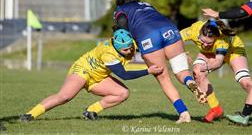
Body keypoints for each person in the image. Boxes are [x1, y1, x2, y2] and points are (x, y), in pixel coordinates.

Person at [20, 29, 163, 121]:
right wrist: (148, 71)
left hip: (98, 77)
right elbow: (124, 75)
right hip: (83, 70)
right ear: (118, 48)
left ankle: (90, 111)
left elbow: (149, 47)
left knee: (122, 93)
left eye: (131, 47)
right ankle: (30, 114)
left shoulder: (127, 42)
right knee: (65, 97)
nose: (131, 50)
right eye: (126, 50)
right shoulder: (108, 54)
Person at [113, 0, 206, 123]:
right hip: (170, 30)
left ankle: (184, 113)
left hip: (148, 36)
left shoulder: (120, 9)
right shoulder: (146, 5)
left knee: (164, 79)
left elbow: (122, 25)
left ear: (120, 2)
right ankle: (189, 81)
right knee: (181, 72)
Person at [180, 19, 252, 124]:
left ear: (216, 38)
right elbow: (174, 39)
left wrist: (203, 67)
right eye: (201, 41)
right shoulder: (194, 29)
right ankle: (216, 109)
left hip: (233, 51)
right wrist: (182, 54)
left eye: (208, 42)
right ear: (199, 33)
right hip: (210, 52)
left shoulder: (222, 39)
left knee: (247, 83)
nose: (204, 44)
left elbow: (218, 62)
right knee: (197, 72)